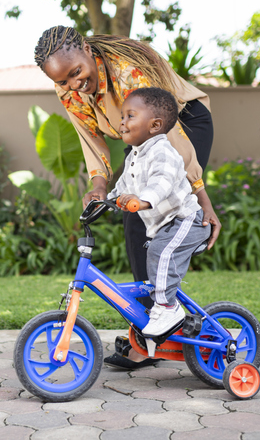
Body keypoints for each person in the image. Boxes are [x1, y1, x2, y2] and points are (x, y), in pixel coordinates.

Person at [34, 25, 220, 368]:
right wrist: (100, 184)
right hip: (144, 140)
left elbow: (173, 138)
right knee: (135, 223)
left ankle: (158, 324)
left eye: (76, 73)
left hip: (181, 123)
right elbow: (91, 139)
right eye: (62, 82)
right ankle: (150, 330)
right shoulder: (68, 92)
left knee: (154, 217)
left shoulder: (127, 73)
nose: (73, 85)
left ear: (88, 50)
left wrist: (201, 196)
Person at [110, 87, 211, 337]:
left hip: (186, 220)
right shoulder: (135, 155)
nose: (122, 123)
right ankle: (165, 313)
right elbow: (123, 186)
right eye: (122, 116)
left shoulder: (163, 152)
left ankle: (167, 308)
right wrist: (107, 201)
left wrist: (143, 201)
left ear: (154, 125)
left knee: (160, 253)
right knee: (154, 258)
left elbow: (161, 183)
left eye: (130, 116)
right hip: (166, 224)